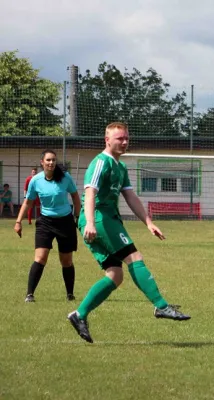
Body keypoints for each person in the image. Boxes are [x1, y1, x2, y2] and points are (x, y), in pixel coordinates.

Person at [68, 122, 190, 344]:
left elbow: (130, 197)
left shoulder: (120, 167)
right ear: (107, 140)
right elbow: (90, 192)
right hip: (98, 218)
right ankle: (162, 307)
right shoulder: (100, 163)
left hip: (107, 218)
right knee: (134, 257)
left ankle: (79, 314)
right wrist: (90, 223)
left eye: (126, 138)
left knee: (115, 275)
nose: (124, 142)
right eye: (119, 138)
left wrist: (148, 222)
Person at [14, 151, 80, 302]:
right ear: (42, 162)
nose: (51, 163)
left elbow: (75, 196)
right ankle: (29, 294)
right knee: (40, 257)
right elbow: (28, 202)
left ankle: (70, 294)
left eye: (53, 160)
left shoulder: (65, 177)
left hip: (65, 222)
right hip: (45, 222)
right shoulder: (35, 180)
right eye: (48, 160)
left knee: (66, 260)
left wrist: (78, 217)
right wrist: (18, 221)